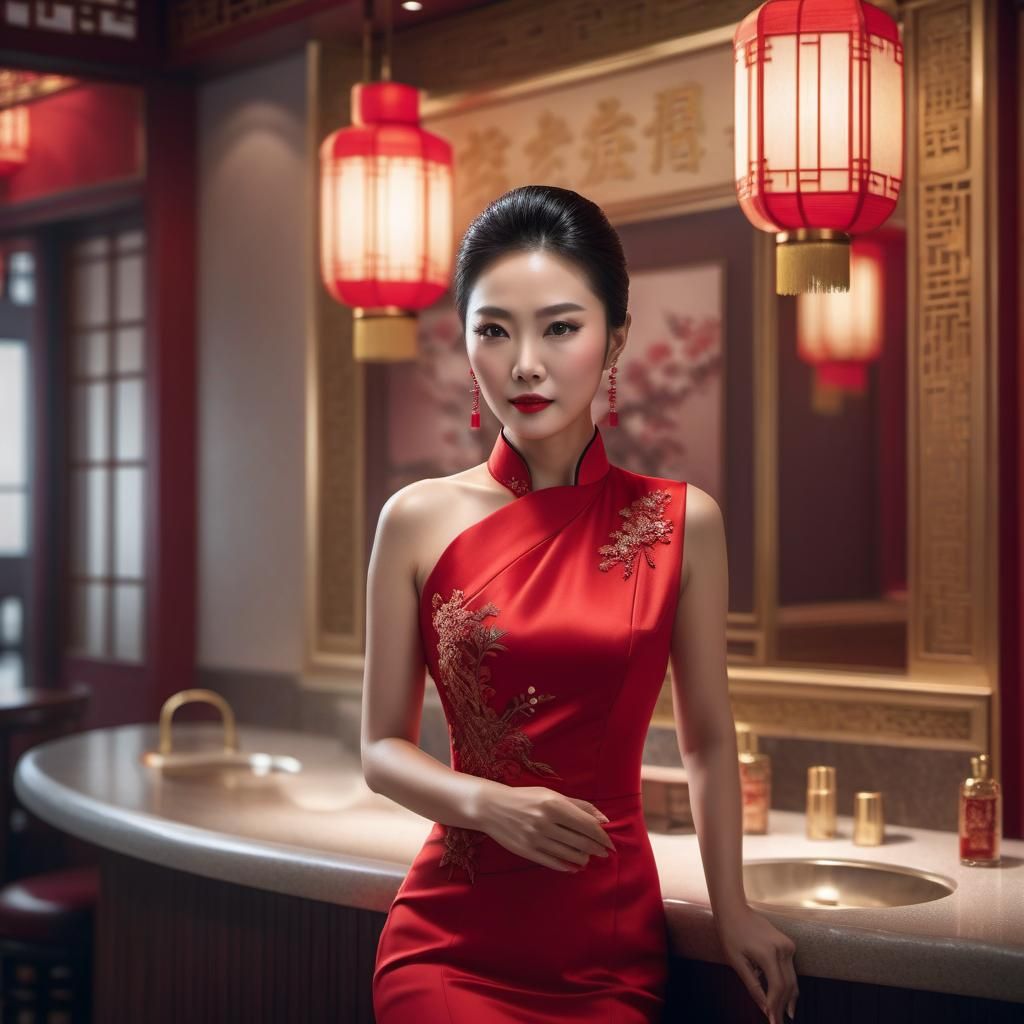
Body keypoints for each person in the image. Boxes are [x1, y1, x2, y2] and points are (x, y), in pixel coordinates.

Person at [362, 184, 799, 1023]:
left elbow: (708, 738)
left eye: (560, 327)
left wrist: (732, 905)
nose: (525, 362)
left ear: (614, 340)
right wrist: (488, 805)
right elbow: (381, 748)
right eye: (493, 330)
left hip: (606, 944)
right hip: (451, 941)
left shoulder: (682, 522)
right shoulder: (416, 519)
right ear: (466, 345)